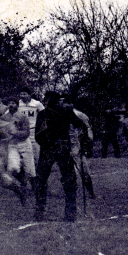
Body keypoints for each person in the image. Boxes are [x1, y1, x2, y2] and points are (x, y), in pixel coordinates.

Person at [33, 92, 81, 222]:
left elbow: (78, 125)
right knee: (64, 180)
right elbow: (38, 134)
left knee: (48, 180)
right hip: (56, 148)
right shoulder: (48, 113)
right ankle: (67, 212)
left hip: (56, 148)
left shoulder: (60, 112)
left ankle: (42, 210)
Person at [64, 96, 97, 199]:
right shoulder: (59, 115)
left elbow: (87, 130)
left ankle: (90, 192)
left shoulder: (79, 115)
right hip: (65, 146)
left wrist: (86, 144)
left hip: (77, 146)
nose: (64, 105)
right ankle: (70, 192)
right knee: (67, 172)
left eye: (65, 103)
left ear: (71, 104)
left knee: (84, 170)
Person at [4, 98, 36, 198]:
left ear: (17, 105)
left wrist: (16, 133)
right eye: (9, 103)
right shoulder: (5, 117)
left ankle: (36, 190)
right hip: (12, 145)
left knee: (30, 170)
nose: (11, 105)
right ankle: (23, 182)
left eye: (13, 103)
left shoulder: (23, 117)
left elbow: (26, 133)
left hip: (24, 144)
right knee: (13, 168)